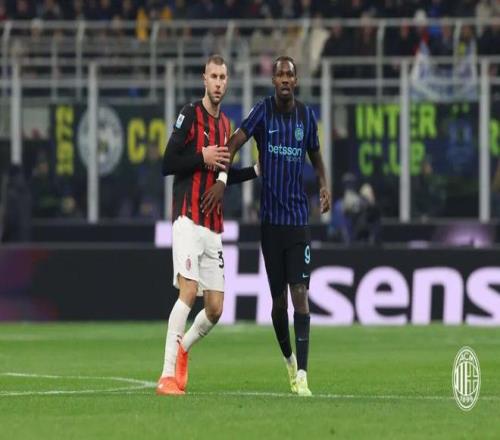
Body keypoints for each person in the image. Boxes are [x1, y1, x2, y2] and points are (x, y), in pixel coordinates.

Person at [202, 55, 331, 396]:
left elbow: (316, 156)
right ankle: (289, 360)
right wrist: (222, 179)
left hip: (298, 221)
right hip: (271, 224)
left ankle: (303, 374)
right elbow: (233, 144)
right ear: (273, 81)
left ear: (296, 81)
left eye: (290, 74)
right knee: (278, 305)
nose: (285, 79)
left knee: (300, 294)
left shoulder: (306, 116)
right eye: (280, 75)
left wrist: (323, 184)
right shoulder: (262, 111)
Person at [157, 54, 257, 396]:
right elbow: (168, 162)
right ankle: (166, 375)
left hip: (213, 226)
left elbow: (224, 172)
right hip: (187, 217)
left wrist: (255, 171)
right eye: (213, 76)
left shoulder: (226, 126)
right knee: (188, 292)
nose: (218, 83)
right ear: (204, 79)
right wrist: (202, 156)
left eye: (223, 77)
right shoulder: (189, 114)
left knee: (215, 309)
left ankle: (183, 349)